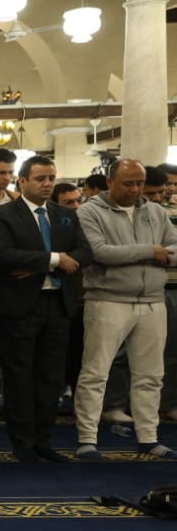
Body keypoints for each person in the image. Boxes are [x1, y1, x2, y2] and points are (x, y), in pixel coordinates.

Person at [0, 156, 89, 463]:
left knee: (51, 377)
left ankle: (44, 440)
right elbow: (4, 254)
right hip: (20, 307)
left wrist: (36, 265)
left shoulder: (64, 215)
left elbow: (85, 252)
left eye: (51, 178)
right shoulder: (3, 214)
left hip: (58, 304)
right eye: (40, 178)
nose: (47, 184)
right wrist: (55, 260)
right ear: (23, 181)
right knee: (19, 376)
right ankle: (23, 443)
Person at [73, 158, 177, 460]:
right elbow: (99, 252)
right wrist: (151, 252)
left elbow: (174, 249)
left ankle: (148, 437)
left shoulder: (155, 211)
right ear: (110, 183)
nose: (135, 189)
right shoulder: (89, 211)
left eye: (139, 183)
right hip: (108, 299)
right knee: (96, 372)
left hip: (152, 300)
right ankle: (87, 438)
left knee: (151, 375)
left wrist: (151, 254)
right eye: (128, 183)